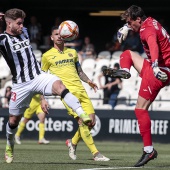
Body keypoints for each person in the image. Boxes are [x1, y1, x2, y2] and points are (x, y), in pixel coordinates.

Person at [0, 8, 91, 164]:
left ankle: (82, 114)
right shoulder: (3, 39)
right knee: (14, 121)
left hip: (38, 76)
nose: (22, 26)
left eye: (22, 23)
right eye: (19, 23)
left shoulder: (25, 31)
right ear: (9, 23)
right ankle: (9, 144)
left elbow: (56, 34)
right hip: (20, 84)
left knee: (59, 85)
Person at [105, 5, 170, 167]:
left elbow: (153, 44)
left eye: (130, 22)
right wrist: (126, 27)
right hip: (162, 67)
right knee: (127, 54)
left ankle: (149, 151)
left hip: (159, 70)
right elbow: (147, 32)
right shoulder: (150, 22)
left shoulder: (145, 30)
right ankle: (125, 71)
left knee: (140, 109)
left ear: (138, 20)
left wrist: (154, 66)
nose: (130, 24)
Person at [41, 26, 110, 161]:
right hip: (67, 94)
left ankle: (72, 143)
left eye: (61, 34)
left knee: (92, 122)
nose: (59, 36)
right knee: (82, 121)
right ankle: (96, 154)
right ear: (51, 38)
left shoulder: (72, 52)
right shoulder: (46, 56)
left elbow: (79, 71)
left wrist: (89, 81)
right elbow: (41, 79)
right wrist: (42, 98)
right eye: (56, 34)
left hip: (81, 90)